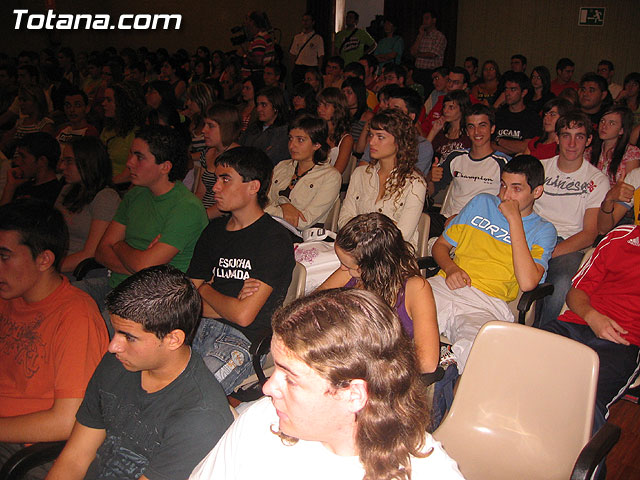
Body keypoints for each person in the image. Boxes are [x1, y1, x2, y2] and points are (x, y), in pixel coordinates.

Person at [189, 288, 465, 480]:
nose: (267, 388)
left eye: (290, 377)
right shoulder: (261, 419)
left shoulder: (425, 471)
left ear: (354, 395)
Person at [47, 265, 234, 480]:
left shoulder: (201, 418)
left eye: (129, 337)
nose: (112, 346)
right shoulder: (119, 362)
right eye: (116, 332)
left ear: (173, 339)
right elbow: (75, 457)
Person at [0, 200, 108, 471]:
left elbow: (69, 420)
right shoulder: (9, 297)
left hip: (28, 447)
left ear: (44, 260)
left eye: (4, 256)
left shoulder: (75, 315)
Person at [430, 155, 557, 372]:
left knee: (481, 354)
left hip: (486, 303)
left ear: (537, 192)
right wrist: (451, 268)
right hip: (445, 287)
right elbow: (440, 246)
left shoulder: (544, 231)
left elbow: (527, 284)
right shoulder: (482, 203)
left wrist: (514, 220)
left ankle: (443, 367)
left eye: (516, 189)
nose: (505, 195)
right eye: (503, 186)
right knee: (390, 318)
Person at [187, 146, 295, 394]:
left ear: (253, 187)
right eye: (216, 179)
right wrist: (224, 302)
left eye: (226, 179)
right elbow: (186, 300)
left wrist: (205, 288)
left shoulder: (273, 239)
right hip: (196, 326)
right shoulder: (213, 231)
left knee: (190, 397)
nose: (215, 188)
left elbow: (243, 316)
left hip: (239, 340)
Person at [91, 125, 207, 310]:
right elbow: (101, 251)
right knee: (61, 303)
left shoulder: (186, 207)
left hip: (149, 300)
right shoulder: (135, 195)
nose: (129, 162)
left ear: (165, 167)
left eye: (140, 157)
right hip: (115, 285)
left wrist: (119, 245)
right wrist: (138, 264)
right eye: (131, 154)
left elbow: (143, 265)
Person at [541, 224, 640, 433]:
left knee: (583, 403)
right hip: (573, 324)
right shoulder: (621, 236)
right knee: (514, 369)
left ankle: (583, 464)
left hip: (622, 343)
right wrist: (592, 317)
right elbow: (575, 293)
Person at [319, 213, 440, 373]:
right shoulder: (351, 272)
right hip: (342, 359)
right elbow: (312, 306)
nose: (342, 268)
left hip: (381, 376)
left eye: (348, 265)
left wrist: (364, 367)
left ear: (373, 268)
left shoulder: (416, 289)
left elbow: (427, 362)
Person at [533, 111, 610, 327]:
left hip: (568, 243)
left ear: (589, 140)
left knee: (561, 283)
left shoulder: (596, 180)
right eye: (566, 135)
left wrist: (548, 253)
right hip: (533, 235)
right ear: (556, 138)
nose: (572, 143)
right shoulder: (540, 167)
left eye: (579, 136)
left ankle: (543, 335)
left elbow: (589, 233)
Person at [339, 109, 427, 247]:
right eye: (371, 135)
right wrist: (385, 227)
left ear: (399, 141)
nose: (372, 142)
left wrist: (360, 227)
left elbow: (402, 236)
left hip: (393, 257)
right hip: (356, 249)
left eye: (380, 137)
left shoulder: (415, 184)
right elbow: (344, 219)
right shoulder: (360, 174)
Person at [428, 104, 509, 233]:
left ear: (492, 129)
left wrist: (462, 219)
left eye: (482, 125)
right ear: (466, 131)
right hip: (448, 221)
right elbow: (431, 191)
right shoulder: (456, 156)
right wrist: (430, 177)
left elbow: (508, 202)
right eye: (471, 127)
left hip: (481, 224)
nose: (476, 132)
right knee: (423, 220)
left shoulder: (503, 163)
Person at [55, 137, 120, 275]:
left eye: (69, 161)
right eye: (62, 161)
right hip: (52, 260)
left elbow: (90, 253)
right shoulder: (67, 189)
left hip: (77, 271)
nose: (61, 167)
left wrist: (46, 269)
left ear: (88, 162)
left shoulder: (106, 197)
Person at [265, 114, 341, 230]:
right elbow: (263, 201)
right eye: (290, 138)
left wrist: (274, 208)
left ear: (317, 144)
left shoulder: (330, 176)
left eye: (300, 140)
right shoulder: (282, 166)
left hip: (301, 237)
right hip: (270, 227)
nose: (292, 145)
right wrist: (283, 205)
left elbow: (304, 221)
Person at [358, 87, 434, 177]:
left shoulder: (422, 146)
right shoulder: (378, 137)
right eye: (389, 108)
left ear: (411, 117)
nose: (389, 113)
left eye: (396, 109)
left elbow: (413, 181)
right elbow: (362, 169)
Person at [195, 102, 241, 219]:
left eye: (210, 126)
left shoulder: (238, 157)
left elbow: (230, 201)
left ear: (226, 127)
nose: (204, 130)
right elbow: (200, 193)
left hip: (222, 218)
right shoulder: (208, 153)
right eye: (204, 124)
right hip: (202, 213)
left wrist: (199, 218)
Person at [100, 82, 145, 184]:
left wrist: (106, 186)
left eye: (109, 100)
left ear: (121, 104)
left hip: (122, 186)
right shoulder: (106, 130)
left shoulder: (136, 134)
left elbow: (129, 174)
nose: (103, 103)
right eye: (104, 99)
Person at [0, 132, 62, 207]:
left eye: (23, 157)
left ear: (42, 161)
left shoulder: (56, 194)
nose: (17, 161)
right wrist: (10, 186)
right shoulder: (22, 185)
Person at [586, 106, 640, 186]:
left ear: (621, 130)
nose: (604, 126)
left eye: (612, 123)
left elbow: (631, 186)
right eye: (602, 121)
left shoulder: (631, 152)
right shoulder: (588, 151)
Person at [492, 71, 541, 155]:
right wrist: (513, 149)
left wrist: (499, 141)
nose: (507, 93)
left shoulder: (532, 117)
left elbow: (526, 147)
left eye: (513, 89)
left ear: (524, 92)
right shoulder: (498, 115)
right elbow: (489, 145)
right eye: (506, 89)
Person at [240, 86, 290, 165]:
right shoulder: (253, 128)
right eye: (258, 105)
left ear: (276, 107)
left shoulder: (283, 132)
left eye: (264, 105)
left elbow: (271, 158)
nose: (258, 109)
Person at [426, 89, 471, 162]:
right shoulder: (441, 133)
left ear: (462, 109)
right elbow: (423, 153)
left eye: (451, 107)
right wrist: (434, 130)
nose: (445, 111)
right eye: (444, 107)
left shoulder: (469, 134)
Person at [316, 87, 354, 174]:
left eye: (326, 105)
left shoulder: (346, 139)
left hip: (330, 182)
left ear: (337, 108)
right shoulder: (317, 132)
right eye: (319, 105)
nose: (320, 109)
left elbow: (336, 173)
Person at [410, 9, 447, 95]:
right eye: (423, 19)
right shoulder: (421, 35)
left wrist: (417, 55)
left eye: (427, 18)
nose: (424, 21)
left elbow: (432, 54)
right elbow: (412, 52)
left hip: (430, 73)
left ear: (434, 20)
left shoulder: (439, 36)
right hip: (418, 71)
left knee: (427, 95)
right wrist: (420, 35)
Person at [289, 12, 324, 86]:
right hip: (299, 67)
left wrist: (318, 70)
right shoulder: (297, 37)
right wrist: (293, 69)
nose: (305, 22)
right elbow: (292, 53)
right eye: (303, 20)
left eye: (307, 20)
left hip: (311, 67)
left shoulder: (318, 38)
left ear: (313, 22)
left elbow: (321, 55)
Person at [239, 11, 275, 78]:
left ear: (252, 22)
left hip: (255, 78)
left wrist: (245, 55)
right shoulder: (263, 36)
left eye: (247, 19)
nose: (244, 23)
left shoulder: (259, 39)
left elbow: (258, 61)